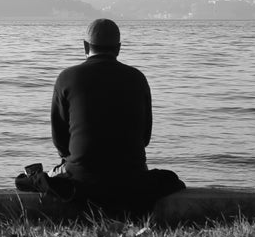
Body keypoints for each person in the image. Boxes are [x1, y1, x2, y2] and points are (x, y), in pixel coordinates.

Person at [17, 18, 184, 212]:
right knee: (169, 179)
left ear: (85, 46)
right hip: (131, 179)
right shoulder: (137, 78)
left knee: (48, 176)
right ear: (118, 48)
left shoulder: (67, 78)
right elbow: (144, 137)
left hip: (81, 179)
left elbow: (60, 140)